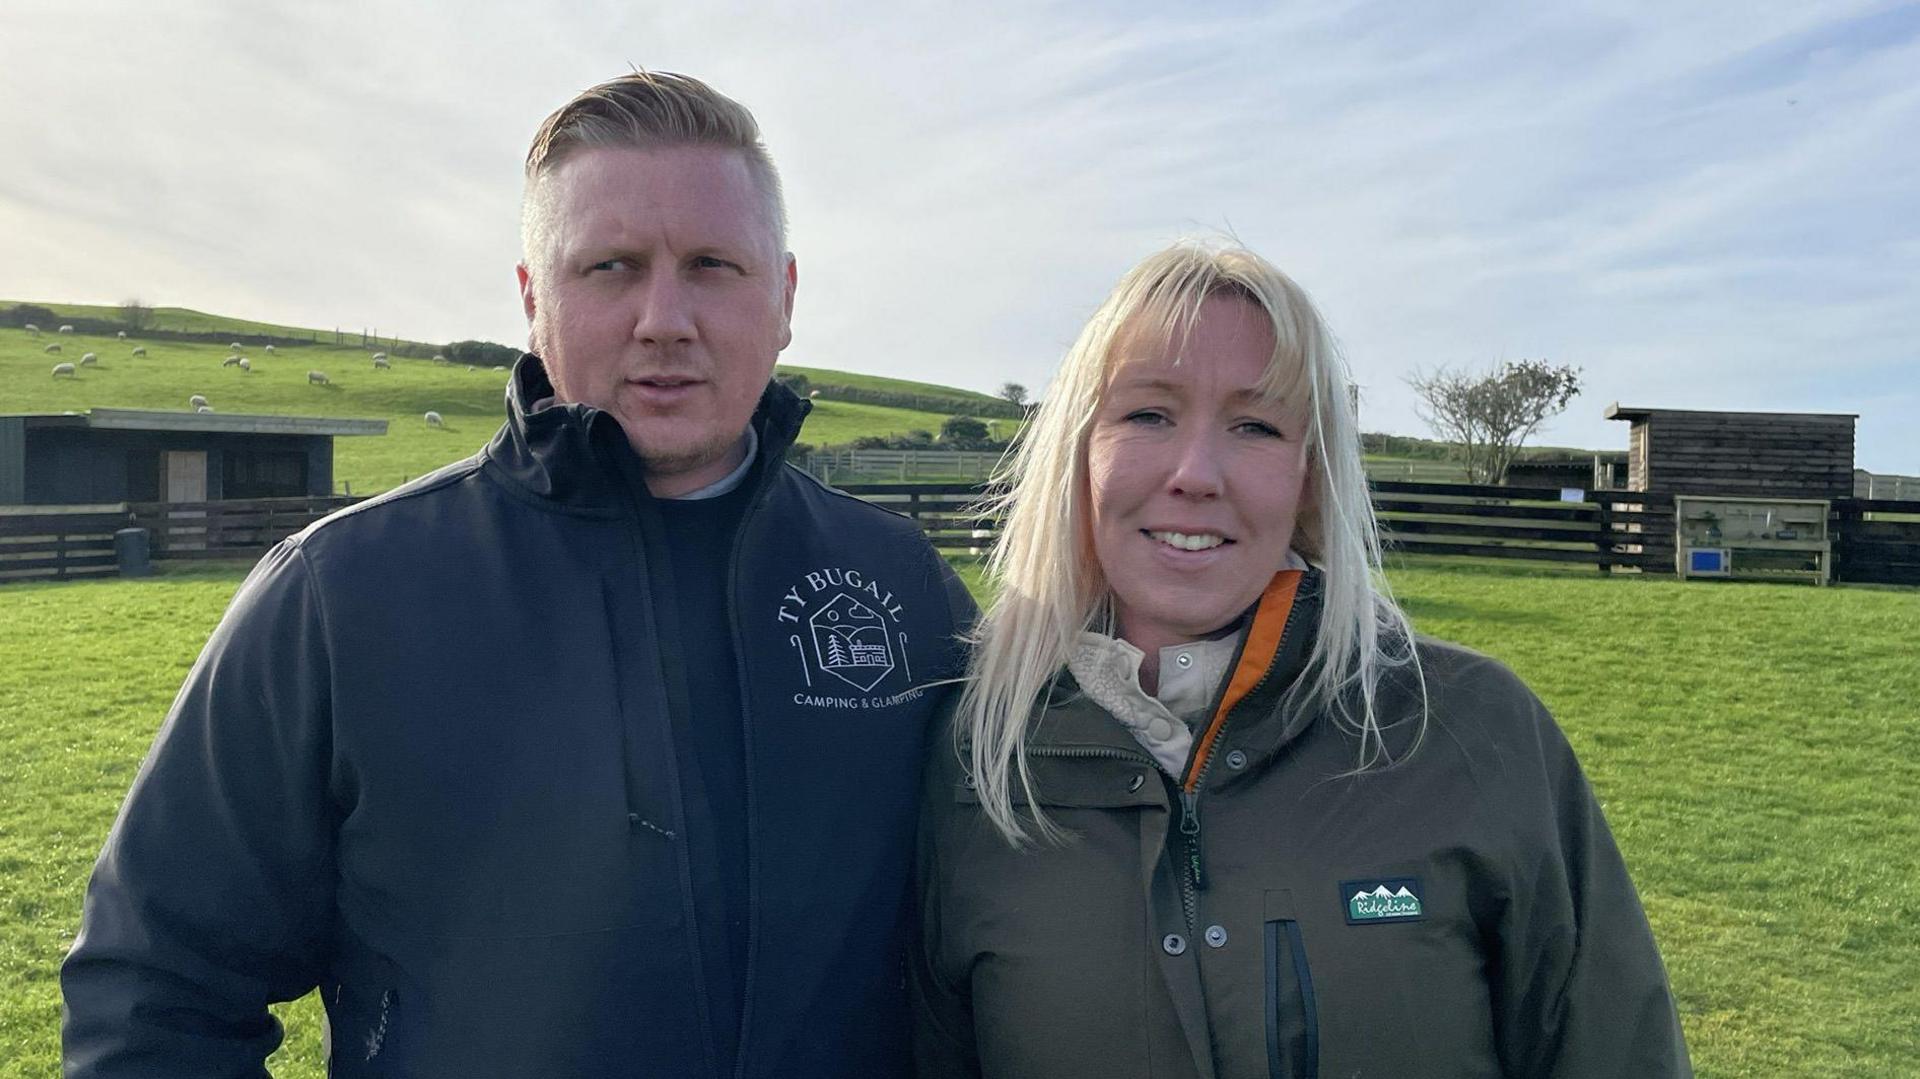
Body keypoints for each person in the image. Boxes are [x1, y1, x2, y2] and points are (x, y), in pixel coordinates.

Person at [62, 72, 973, 1078]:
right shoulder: (341, 597)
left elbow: (1019, 947)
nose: (663, 317)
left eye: (713, 264)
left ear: (786, 295)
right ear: (535, 298)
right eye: (612, 266)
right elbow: (154, 992)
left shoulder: (905, 592)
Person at [911, 241, 1691, 1077]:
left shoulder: (1471, 730)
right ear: (1077, 450)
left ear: (1310, 476)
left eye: (1255, 425)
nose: (1195, 473)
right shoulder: (979, 756)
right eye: (1147, 413)